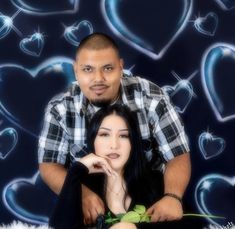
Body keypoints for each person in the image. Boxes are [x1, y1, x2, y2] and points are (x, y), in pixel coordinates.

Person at [38, 32, 191, 224]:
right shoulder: (60, 109)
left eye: (108, 68)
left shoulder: (152, 97)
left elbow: (178, 154)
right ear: (76, 71)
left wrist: (172, 197)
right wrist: (80, 193)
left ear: (121, 67)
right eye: (88, 69)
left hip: (148, 204)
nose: (98, 78)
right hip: (91, 213)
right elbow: (49, 165)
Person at [49, 104, 184, 229]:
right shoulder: (80, 187)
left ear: (132, 143)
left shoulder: (155, 182)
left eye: (124, 136)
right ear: (93, 141)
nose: (114, 145)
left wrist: (133, 228)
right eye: (104, 134)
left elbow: (191, 224)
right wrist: (76, 169)